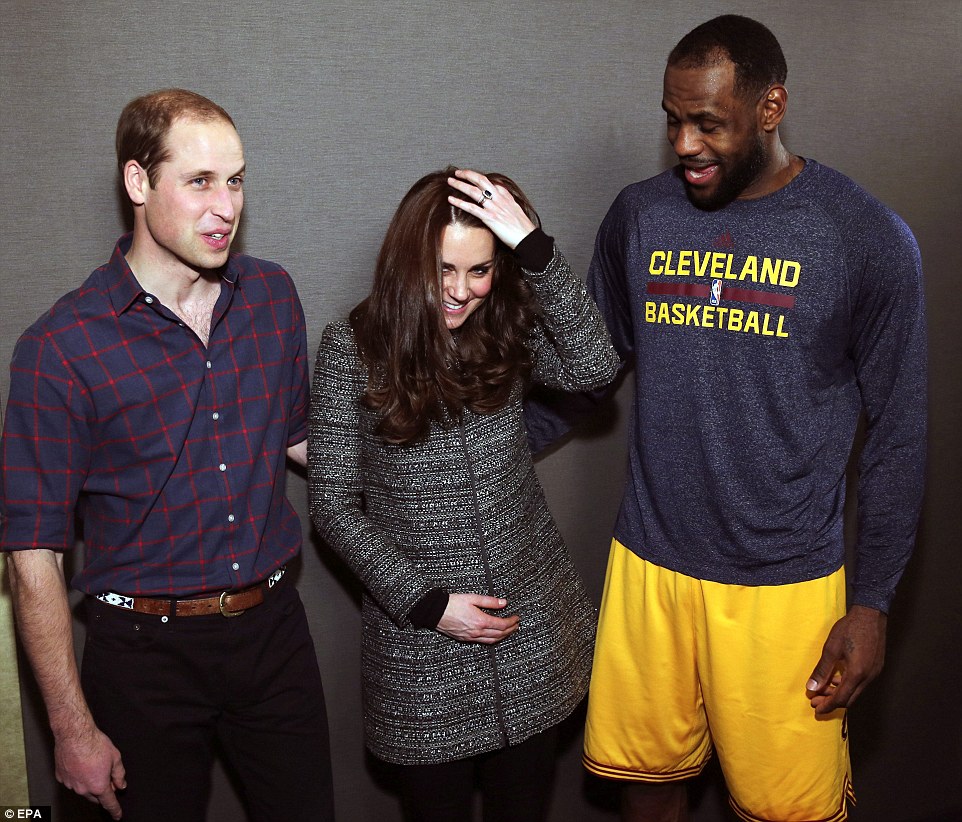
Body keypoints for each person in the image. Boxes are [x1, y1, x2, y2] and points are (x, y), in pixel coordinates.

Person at [524, 15, 927, 822]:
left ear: (771, 107)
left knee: (785, 811)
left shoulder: (865, 237)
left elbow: (900, 434)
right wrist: (464, 444)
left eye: (708, 123)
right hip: (650, 562)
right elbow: (586, 376)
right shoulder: (641, 216)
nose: (685, 144)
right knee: (647, 787)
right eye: (673, 120)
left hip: (784, 583)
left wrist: (873, 601)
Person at [1, 89, 334, 821]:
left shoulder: (272, 295)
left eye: (235, 180)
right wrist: (72, 728)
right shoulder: (60, 348)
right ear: (138, 182)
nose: (225, 207)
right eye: (199, 181)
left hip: (273, 632)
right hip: (142, 656)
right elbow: (32, 555)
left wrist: (430, 465)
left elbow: (297, 437)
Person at [308, 166, 619, 821]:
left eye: (480, 270)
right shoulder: (352, 349)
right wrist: (429, 605)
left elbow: (595, 365)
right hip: (422, 651)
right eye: (442, 269)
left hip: (529, 634)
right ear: (408, 261)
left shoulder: (505, 328)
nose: (459, 290)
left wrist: (534, 248)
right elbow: (332, 505)